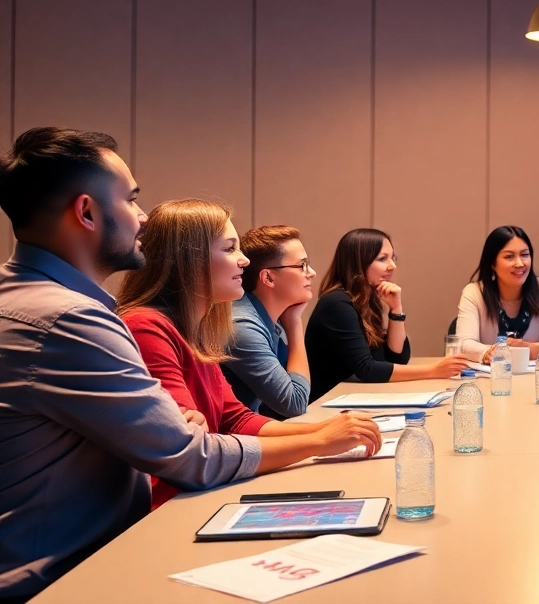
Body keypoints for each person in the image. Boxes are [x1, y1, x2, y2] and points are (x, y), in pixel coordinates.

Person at [0, 128, 378, 601]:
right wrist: (316, 441)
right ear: (87, 212)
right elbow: (189, 455)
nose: (142, 218)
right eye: (131, 200)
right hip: (64, 578)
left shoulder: (33, 301)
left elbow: (208, 425)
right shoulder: (70, 320)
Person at [118, 200, 386, 508]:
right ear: (189, 261)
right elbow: (195, 453)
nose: (244, 261)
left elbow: (235, 418)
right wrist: (319, 442)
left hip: (201, 494)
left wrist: (325, 430)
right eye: (230, 249)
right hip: (169, 507)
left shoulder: (196, 329)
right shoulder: (146, 327)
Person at [307, 228, 470, 401]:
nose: (392, 266)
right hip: (324, 404)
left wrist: (396, 309)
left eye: (393, 258)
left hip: (352, 398)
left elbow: (397, 358)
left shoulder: (366, 301)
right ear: (358, 262)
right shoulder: (337, 303)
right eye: (382, 259)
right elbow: (367, 369)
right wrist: (433, 371)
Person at [221, 225, 315, 418]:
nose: (311, 272)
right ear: (268, 278)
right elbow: (295, 404)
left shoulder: (260, 315)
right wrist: (295, 324)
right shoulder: (243, 326)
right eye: (302, 265)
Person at [456, 225, 539, 362]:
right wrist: (492, 353)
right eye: (509, 257)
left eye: (525, 255)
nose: (520, 263)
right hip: (489, 379)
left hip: (533, 378)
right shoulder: (475, 293)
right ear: (492, 263)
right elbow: (464, 344)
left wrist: (527, 348)